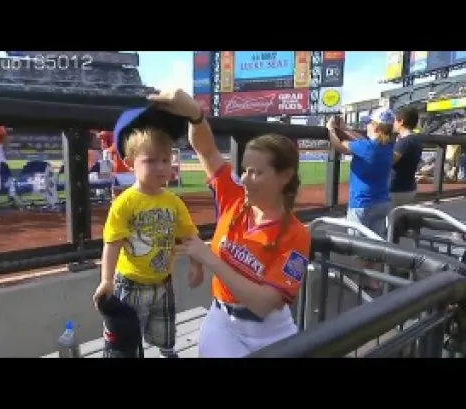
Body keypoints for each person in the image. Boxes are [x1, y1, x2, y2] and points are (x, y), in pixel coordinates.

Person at [149, 89, 311, 358]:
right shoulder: (235, 197)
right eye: (245, 169)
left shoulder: (296, 235)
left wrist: (209, 258)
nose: (245, 179)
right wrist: (196, 115)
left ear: (285, 176)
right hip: (224, 322)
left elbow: (263, 304)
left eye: (256, 172)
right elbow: (206, 149)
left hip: (270, 330)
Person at [92, 106, 204, 358]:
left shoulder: (173, 202)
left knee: (164, 334)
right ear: (130, 163)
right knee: (125, 340)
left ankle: (166, 352)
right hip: (130, 284)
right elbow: (112, 244)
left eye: (165, 159)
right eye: (150, 160)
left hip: (163, 283)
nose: (161, 167)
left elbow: (189, 235)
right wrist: (107, 280)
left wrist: (198, 265)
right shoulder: (125, 202)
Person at [327, 108, 395, 290]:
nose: (366, 127)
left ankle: (365, 278)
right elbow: (363, 140)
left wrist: (331, 131)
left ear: (377, 127)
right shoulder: (388, 147)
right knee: (375, 241)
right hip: (382, 202)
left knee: (360, 244)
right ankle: (372, 278)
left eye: (369, 124)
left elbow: (340, 145)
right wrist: (347, 128)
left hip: (362, 204)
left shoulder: (366, 148)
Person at [391, 107, 422, 206]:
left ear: (401, 122)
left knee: (389, 220)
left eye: (395, 120)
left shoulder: (404, 142)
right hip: (409, 188)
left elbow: (388, 162)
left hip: (396, 190)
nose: (393, 123)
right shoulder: (416, 139)